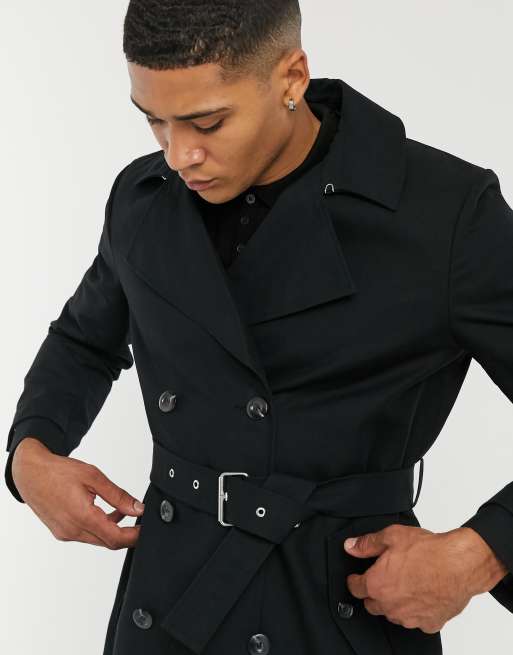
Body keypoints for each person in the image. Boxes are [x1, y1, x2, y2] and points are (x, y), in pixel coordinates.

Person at [5, 2, 513, 654]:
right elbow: (84, 338)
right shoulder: (143, 199)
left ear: (291, 77)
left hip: (338, 607)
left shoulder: (445, 214)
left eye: (207, 122)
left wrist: (480, 552)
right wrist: (31, 454)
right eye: (154, 120)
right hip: (168, 600)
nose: (179, 155)